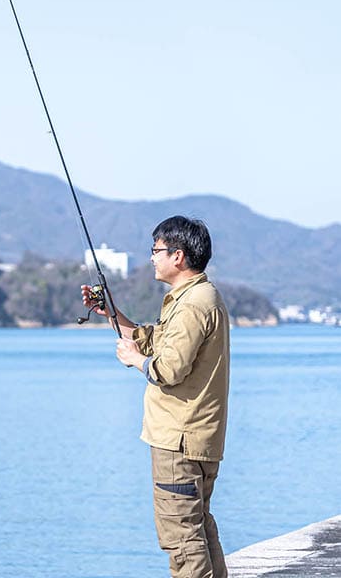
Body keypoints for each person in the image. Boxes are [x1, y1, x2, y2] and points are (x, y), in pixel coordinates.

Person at [81, 215, 230, 578]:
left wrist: (136, 361)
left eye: (156, 250)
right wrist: (112, 313)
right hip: (195, 437)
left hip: (179, 441)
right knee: (197, 526)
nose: (151, 258)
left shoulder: (194, 304)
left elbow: (169, 368)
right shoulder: (193, 298)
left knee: (181, 539)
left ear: (177, 256)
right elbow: (154, 340)